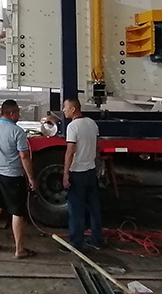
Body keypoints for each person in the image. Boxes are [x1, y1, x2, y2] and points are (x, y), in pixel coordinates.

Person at [0, 99, 37, 259]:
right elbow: (24, 157)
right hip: (13, 176)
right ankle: (19, 250)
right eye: (18, 113)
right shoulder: (17, 132)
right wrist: (31, 177)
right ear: (12, 113)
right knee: (17, 212)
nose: (19, 116)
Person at [62, 98, 103, 251]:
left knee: (76, 210)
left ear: (73, 109)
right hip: (91, 172)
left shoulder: (73, 126)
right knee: (94, 208)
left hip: (77, 173)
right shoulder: (92, 123)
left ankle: (76, 243)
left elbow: (70, 151)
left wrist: (65, 173)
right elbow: (97, 148)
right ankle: (97, 240)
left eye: (65, 107)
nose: (63, 110)